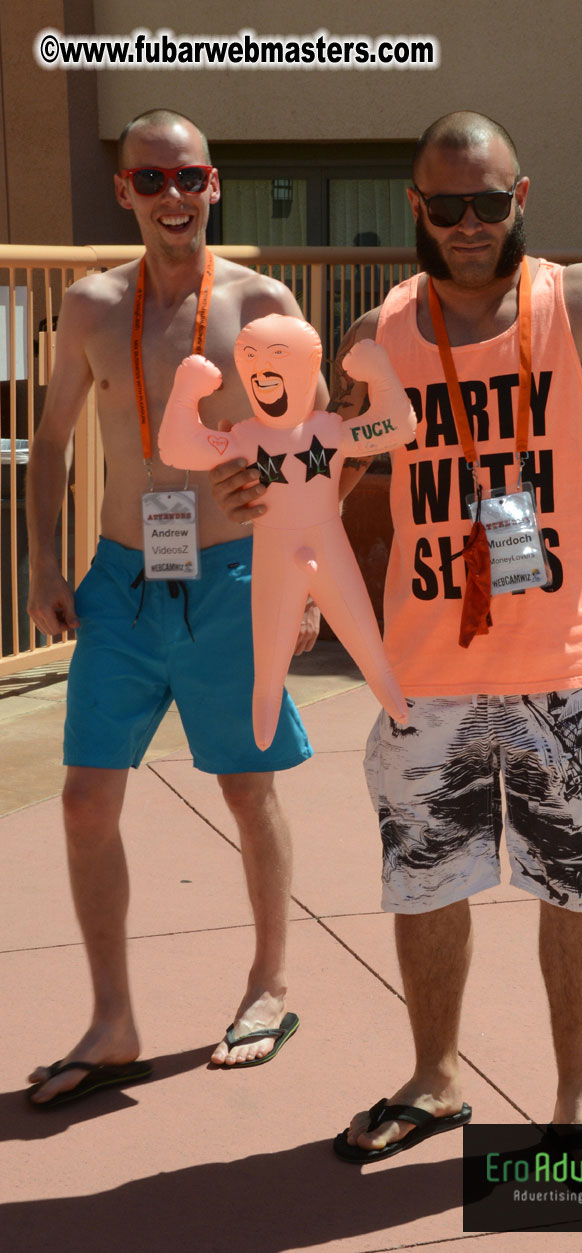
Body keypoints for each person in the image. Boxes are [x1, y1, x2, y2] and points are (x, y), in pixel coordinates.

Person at [213, 104, 582, 1159]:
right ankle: (433, 1079)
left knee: (578, 888)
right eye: (446, 203)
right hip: (423, 671)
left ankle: (576, 1101)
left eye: (488, 201)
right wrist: (273, 523)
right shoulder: (376, 336)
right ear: (416, 207)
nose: (468, 221)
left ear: (519, 199)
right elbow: (325, 473)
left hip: (564, 667)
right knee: (426, 882)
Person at [25, 108, 329, 1106]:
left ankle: (268, 983)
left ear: (214, 185)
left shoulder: (262, 300)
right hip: (120, 577)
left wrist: (306, 575)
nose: (170, 197)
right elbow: (55, 434)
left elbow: (305, 453)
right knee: (84, 797)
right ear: (123, 192)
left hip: (234, 575)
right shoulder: (88, 307)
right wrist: (43, 559)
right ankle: (113, 1020)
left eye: (187, 177)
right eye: (149, 181)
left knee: (246, 788)